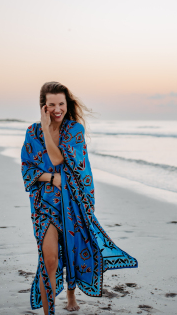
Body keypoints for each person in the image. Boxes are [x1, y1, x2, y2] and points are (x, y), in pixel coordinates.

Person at [21, 81, 138, 314]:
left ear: (67, 104)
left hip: (73, 202)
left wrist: (46, 131)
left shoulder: (74, 130)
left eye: (61, 103)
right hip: (43, 204)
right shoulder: (31, 131)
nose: (57, 109)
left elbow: (57, 160)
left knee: (73, 250)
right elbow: (27, 168)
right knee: (50, 261)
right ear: (43, 106)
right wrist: (52, 179)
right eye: (51, 104)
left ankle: (71, 294)